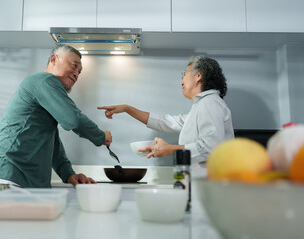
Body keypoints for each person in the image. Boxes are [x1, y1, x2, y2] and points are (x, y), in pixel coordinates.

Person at [0, 45, 112, 216]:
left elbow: (51, 141)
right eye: (74, 65)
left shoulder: (43, 91)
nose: (77, 74)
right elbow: (73, 119)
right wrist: (101, 136)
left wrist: (68, 174)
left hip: (19, 184)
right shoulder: (44, 80)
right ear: (54, 59)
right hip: (7, 178)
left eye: (80, 70)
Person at [98, 55, 234, 175]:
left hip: (209, 185)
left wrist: (169, 149)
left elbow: (210, 148)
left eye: (185, 74)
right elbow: (168, 122)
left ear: (198, 75)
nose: (181, 82)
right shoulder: (203, 105)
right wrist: (127, 109)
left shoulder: (210, 103)